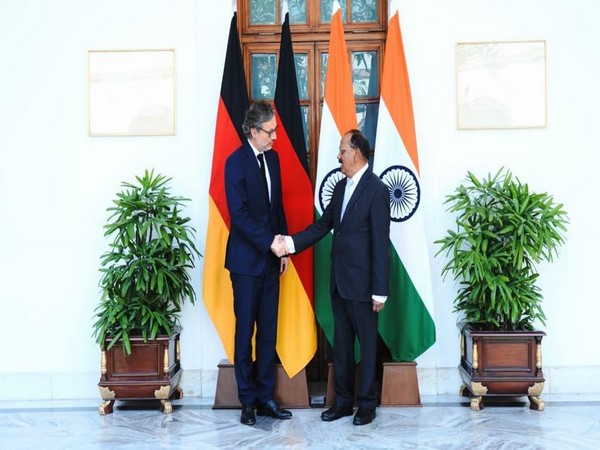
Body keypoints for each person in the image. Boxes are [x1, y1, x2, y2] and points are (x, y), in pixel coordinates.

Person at [275, 129, 390, 426]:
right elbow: (322, 226)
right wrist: (290, 243)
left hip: (364, 287)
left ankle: (367, 405)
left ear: (357, 153)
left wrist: (380, 290)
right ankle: (342, 402)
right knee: (342, 346)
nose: (338, 156)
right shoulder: (340, 187)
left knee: (367, 347)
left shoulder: (377, 190)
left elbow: (381, 243)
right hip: (339, 283)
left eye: (342, 151)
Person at [224, 101, 293, 426]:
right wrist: (270, 243)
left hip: (271, 260)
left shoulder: (273, 160)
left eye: (275, 130)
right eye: (270, 131)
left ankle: (266, 397)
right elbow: (239, 217)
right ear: (253, 131)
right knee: (244, 334)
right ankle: (247, 401)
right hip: (245, 263)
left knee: (268, 332)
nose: (275, 137)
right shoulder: (235, 163)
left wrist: (284, 248)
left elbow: (276, 209)